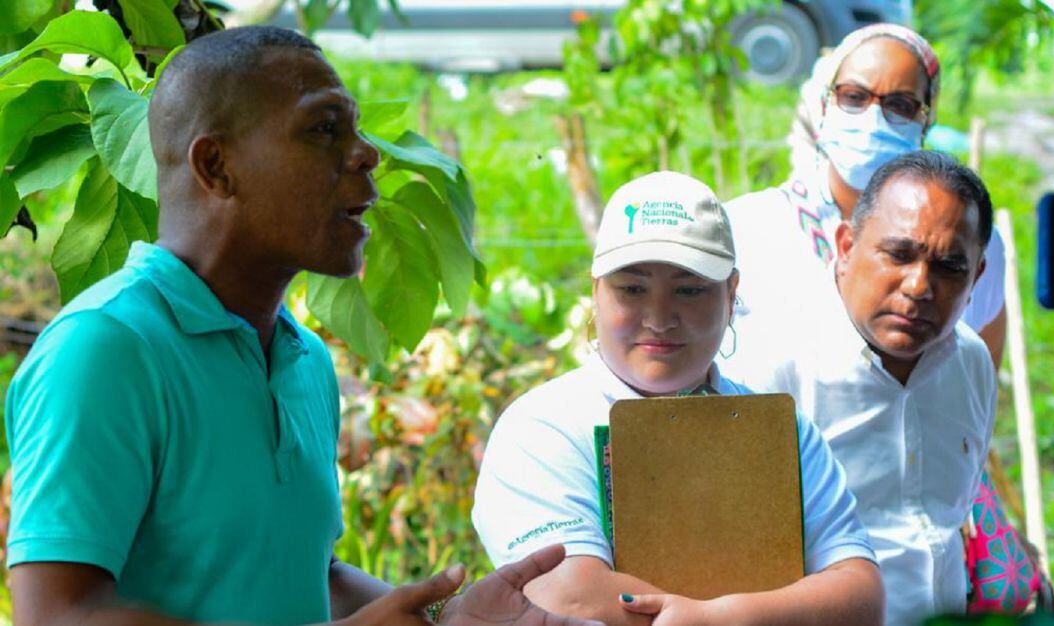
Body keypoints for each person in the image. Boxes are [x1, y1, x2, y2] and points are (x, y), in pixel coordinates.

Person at [3, 26, 603, 626]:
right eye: (324, 129)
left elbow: (307, 572)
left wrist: (445, 619)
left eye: (356, 129)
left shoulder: (303, 358)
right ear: (216, 166)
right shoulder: (106, 348)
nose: (367, 154)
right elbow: (58, 615)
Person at [471, 171, 884, 626]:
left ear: (731, 294)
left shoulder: (781, 431)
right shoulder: (541, 428)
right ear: (595, 292)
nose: (660, 318)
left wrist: (724, 618)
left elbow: (861, 595)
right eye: (632, 289)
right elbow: (570, 597)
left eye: (689, 290)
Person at [725, 151, 998, 626]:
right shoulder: (771, 365)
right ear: (846, 245)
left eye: (949, 266)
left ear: (976, 276)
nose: (919, 286)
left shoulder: (971, 363)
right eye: (898, 254)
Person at [728, 23, 1008, 367]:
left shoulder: (968, 241)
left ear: (926, 119)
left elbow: (980, 366)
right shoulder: (749, 227)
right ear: (825, 103)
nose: (873, 118)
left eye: (900, 104)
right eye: (854, 97)